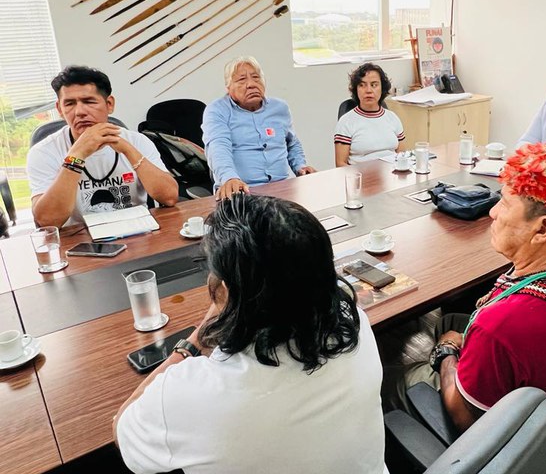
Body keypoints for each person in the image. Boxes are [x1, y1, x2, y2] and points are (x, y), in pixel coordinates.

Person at [114, 194, 387, 474]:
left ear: (226, 293)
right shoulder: (355, 325)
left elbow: (123, 427)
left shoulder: (193, 394)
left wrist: (198, 337)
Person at [386, 141, 546, 433]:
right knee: (451, 322)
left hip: (491, 429)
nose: (492, 213)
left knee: (386, 379)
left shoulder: (501, 326)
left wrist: (446, 352)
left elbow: (462, 415)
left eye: (504, 203)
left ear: (543, 229)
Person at [27, 65, 178, 228]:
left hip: (137, 232)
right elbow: (47, 221)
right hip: (80, 241)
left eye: (89, 101)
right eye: (70, 104)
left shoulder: (137, 141)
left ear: (109, 104)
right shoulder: (43, 152)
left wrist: (128, 150)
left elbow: (169, 197)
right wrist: (76, 156)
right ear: (60, 110)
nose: (79, 112)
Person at [202, 56, 316, 199]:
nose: (250, 84)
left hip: (281, 189)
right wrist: (229, 178)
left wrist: (300, 166)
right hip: (241, 192)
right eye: (241, 80)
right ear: (228, 87)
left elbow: (292, 143)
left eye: (256, 78)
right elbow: (218, 148)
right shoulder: (217, 110)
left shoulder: (280, 108)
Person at [334, 63, 405, 166]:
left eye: (374, 85)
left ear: (382, 88)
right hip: (361, 178)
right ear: (356, 89)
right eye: (362, 85)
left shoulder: (393, 118)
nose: (368, 90)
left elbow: (401, 156)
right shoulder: (346, 122)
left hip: (392, 176)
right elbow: (340, 164)